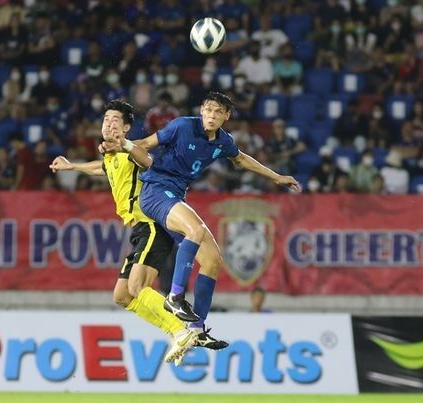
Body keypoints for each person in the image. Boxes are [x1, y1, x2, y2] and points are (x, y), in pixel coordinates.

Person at [102, 91, 300, 336]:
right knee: (194, 231)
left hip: (176, 195)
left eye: (218, 112)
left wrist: (276, 176)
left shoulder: (222, 141)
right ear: (201, 111)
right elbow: (145, 145)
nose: (211, 115)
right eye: (208, 110)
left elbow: (240, 159)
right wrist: (122, 145)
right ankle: (175, 296)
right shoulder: (182, 126)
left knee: (213, 260)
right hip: (156, 191)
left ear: (226, 116)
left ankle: (197, 328)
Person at [50, 100, 226, 365]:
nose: (108, 124)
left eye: (115, 121)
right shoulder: (112, 156)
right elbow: (103, 168)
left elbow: (149, 160)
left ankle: (180, 330)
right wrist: (72, 166)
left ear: (127, 127)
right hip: (138, 230)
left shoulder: (130, 151)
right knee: (122, 295)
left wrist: (128, 145)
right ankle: (180, 331)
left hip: (152, 225)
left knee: (136, 286)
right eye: (106, 119)